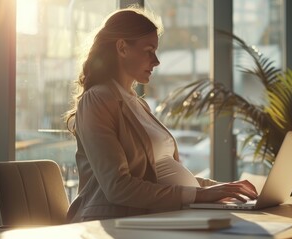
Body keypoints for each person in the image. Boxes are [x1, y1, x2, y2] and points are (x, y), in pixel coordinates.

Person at [65, 6, 257, 223]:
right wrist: (202, 195)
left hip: (158, 218)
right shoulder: (98, 100)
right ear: (122, 48)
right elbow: (118, 187)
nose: (156, 61)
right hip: (116, 222)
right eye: (149, 50)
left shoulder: (138, 105)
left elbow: (160, 176)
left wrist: (224, 189)